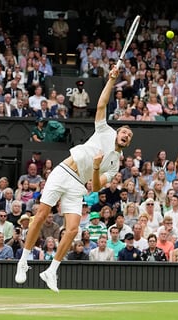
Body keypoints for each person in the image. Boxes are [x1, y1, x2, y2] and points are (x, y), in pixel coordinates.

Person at [15, 66, 133, 292]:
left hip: (79, 185)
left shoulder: (115, 163)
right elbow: (101, 104)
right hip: (63, 173)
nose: (126, 135)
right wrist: (111, 79)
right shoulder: (105, 130)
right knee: (40, 215)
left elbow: (96, 187)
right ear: (118, 132)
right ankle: (24, 261)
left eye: (129, 136)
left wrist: (97, 168)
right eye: (124, 132)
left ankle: (51, 270)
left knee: (71, 230)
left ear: (128, 143)